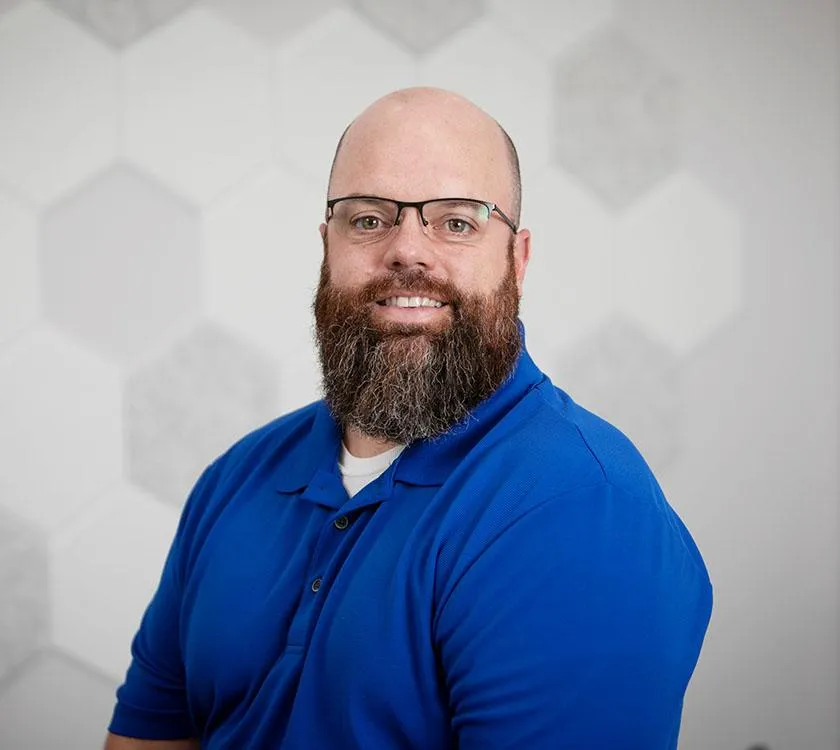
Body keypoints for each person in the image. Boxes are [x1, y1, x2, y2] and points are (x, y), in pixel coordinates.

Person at [105, 87, 712, 750]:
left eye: (457, 222)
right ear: (327, 246)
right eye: (369, 219)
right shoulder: (236, 479)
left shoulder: (581, 508)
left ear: (517, 260)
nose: (407, 251)